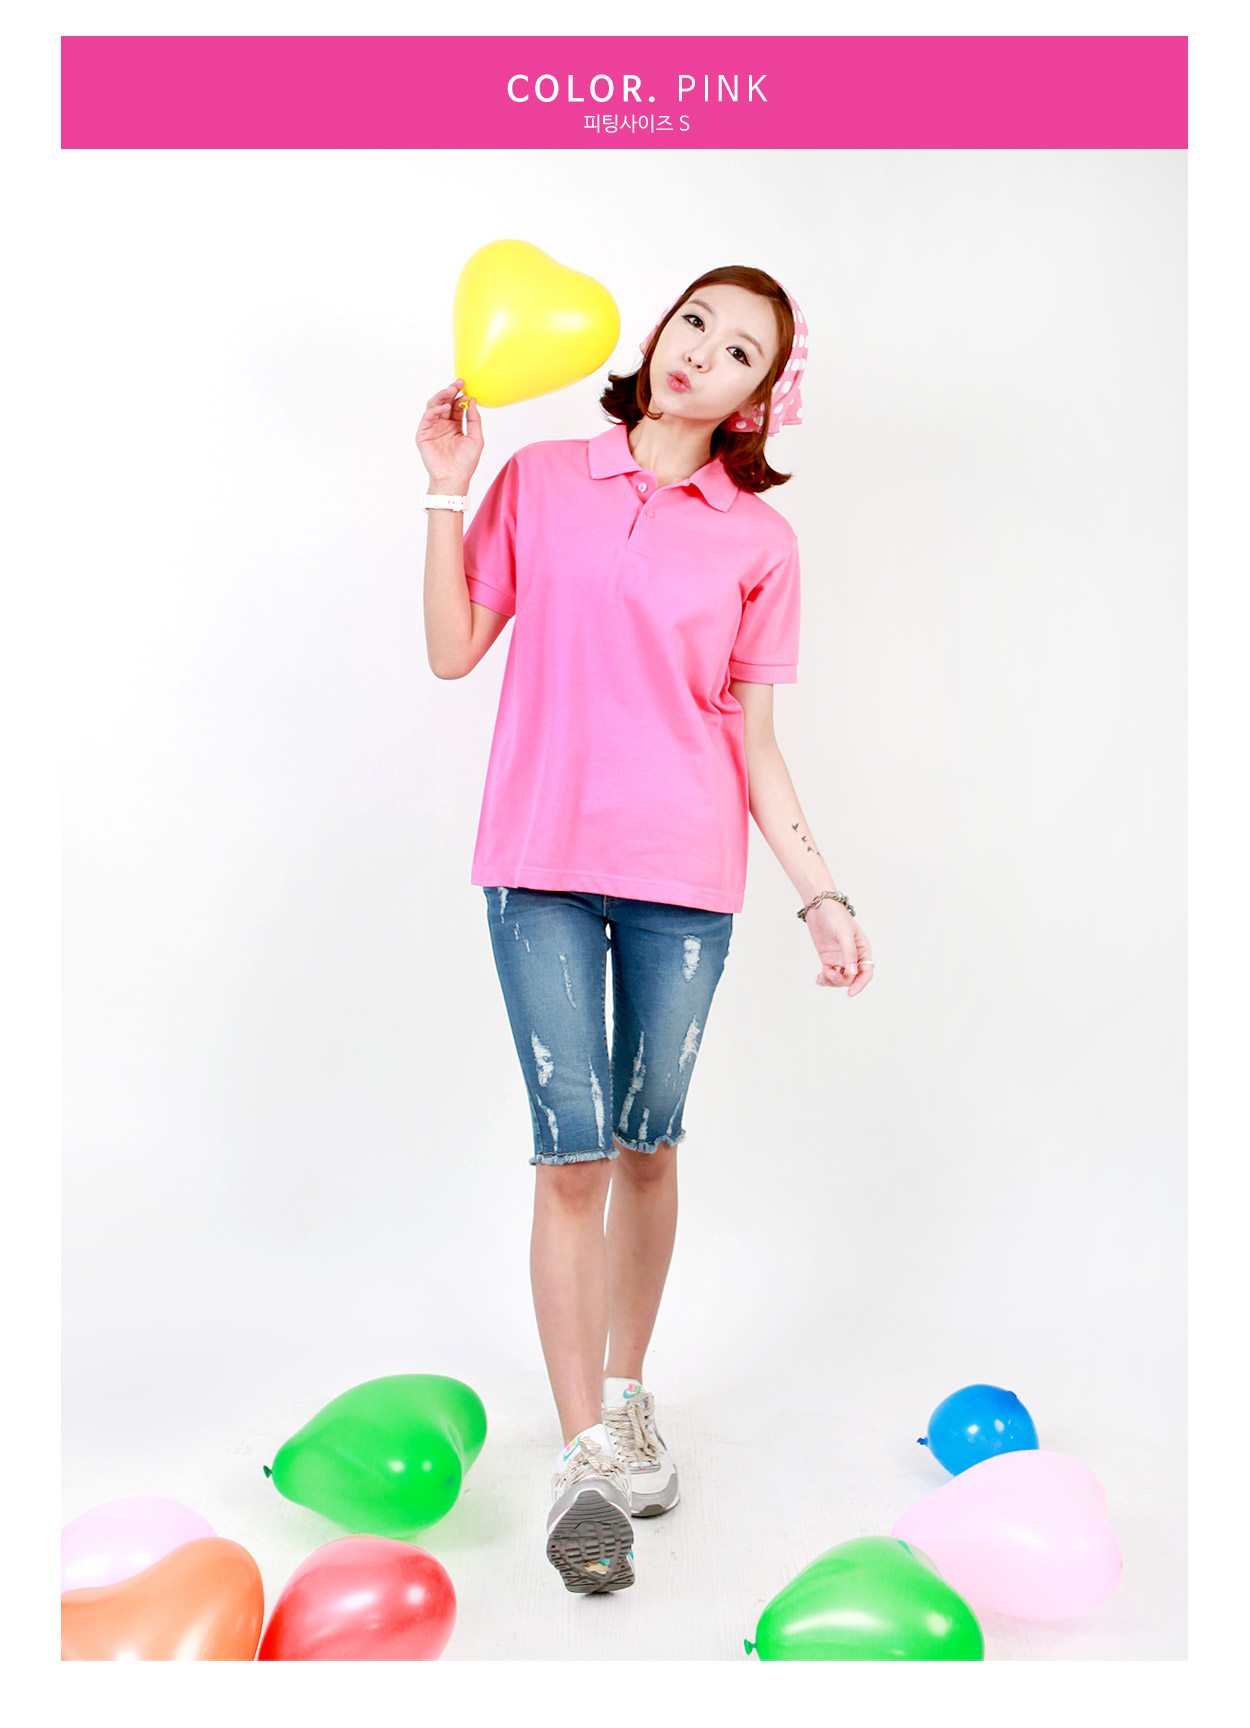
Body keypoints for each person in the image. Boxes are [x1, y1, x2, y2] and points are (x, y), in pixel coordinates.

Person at [416, 265, 874, 1596]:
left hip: (684, 877)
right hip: (540, 863)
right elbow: (452, 650)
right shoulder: (543, 480)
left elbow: (757, 744)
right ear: (660, 329)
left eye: (738, 353)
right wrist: (446, 489)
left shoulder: (758, 544)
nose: (700, 354)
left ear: (755, 400)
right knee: (569, 1157)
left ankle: (625, 1398)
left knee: (646, 1141)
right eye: (694, 324)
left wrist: (821, 892)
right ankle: (583, 1463)